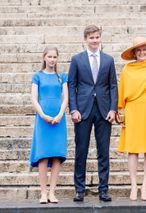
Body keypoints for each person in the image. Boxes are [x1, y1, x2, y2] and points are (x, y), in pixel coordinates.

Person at [68, 25, 118, 202]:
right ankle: (79, 189)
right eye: (91, 38)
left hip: (104, 110)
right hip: (82, 110)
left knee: (103, 151)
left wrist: (113, 108)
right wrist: (73, 109)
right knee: (81, 150)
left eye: (97, 37)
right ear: (85, 39)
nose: (95, 40)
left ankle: (103, 189)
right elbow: (71, 85)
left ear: (100, 38)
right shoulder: (77, 59)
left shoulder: (108, 60)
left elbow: (113, 85)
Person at [117, 37, 146, 201]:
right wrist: (119, 109)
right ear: (134, 52)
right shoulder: (127, 69)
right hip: (133, 109)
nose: (142, 52)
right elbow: (121, 89)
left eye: (145, 50)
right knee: (133, 148)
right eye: (139, 50)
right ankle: (134, 185)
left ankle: (145, 186)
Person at [30, 46, 68, 204]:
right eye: (50, 57)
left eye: (55, 57)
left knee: (57, 155)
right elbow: (33, 98)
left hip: (59, 120)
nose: (52, 60)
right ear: (44, 57)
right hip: (43, 119)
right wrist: (43, 115)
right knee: (43, 156)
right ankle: (43, 192)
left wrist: (59, 115)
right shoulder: (37, 76)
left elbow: (66, 98)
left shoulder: (62, 76)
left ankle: (52, 192)